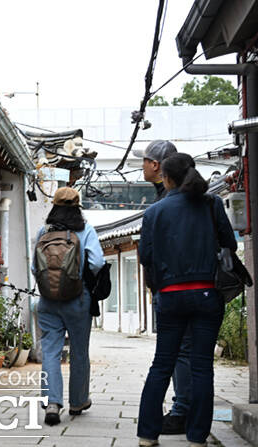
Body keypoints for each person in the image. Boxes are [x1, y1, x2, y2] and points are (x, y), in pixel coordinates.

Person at [137, 153, 237, 447]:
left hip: (170, 296)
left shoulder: (155, 212)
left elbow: (147, 257)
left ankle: (147, 435)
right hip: (207, 293)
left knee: (162, 364)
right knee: (202, 366)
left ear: (166, 178)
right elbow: (229, 245)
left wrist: (159, 289)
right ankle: (196, 438)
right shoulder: (211, 204)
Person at [33, 187, 105, 426]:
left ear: (54, 205)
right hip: (78, 298)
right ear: (77, 207)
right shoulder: (86, 231)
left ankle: (52, 402)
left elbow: (35, 267)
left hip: (48, 300)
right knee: (79, 351)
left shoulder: (44, 232)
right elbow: (96, 263)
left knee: (51, 351)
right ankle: (78, 401)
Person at [137, 140, 192, 435]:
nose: (141, 165)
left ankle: (182, 410)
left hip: (172, 289)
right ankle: (191, 410)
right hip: (201, 289)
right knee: (190, 351)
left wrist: (155, 285)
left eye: (144, 160)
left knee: (176, 352)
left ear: (157, 167)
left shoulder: (162, 205)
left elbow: (149, 254)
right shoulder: (199, 200)